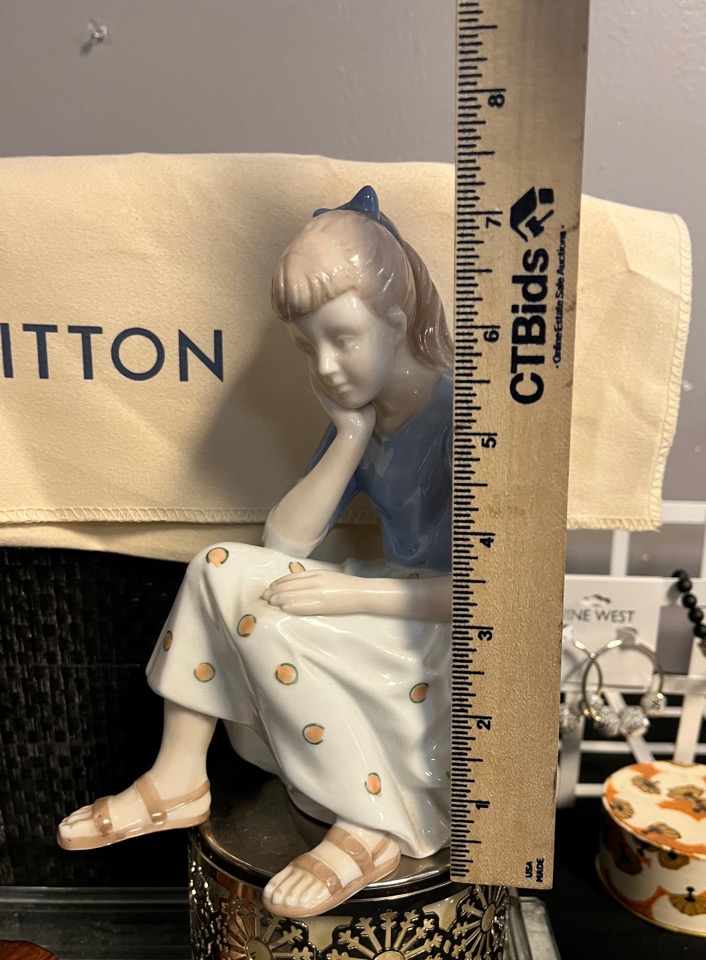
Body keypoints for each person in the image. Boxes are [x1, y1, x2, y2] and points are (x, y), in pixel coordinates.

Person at [57, 187, 454, 918]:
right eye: (309, 348)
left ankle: (371, 826)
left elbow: (487, 596)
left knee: (269, 622)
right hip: (385, 591)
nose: (326, 366)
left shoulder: (464, 416)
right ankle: (179, 774)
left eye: (343, 338)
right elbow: (285, 542)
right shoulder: (365, 418)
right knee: (216, 564)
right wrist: (350, 439)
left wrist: (353, 594)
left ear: (397, 323)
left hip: (434, 626)